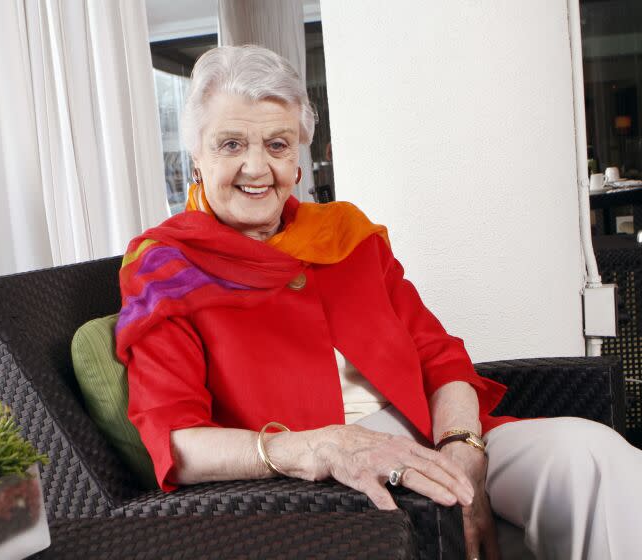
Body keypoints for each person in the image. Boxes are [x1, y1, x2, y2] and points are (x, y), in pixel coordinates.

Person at [115, 45, 642, 560]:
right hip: (326, 481)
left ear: (296, 163)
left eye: (277, 145)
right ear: (197, 160)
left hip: (435, 436)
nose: (257, 167)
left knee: (590, 456)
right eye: (231, 144)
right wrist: (322, 447)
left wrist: (463, 450)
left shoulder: (347, 237)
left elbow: (441, 356)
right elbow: (179, 441)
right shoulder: (165, 267)